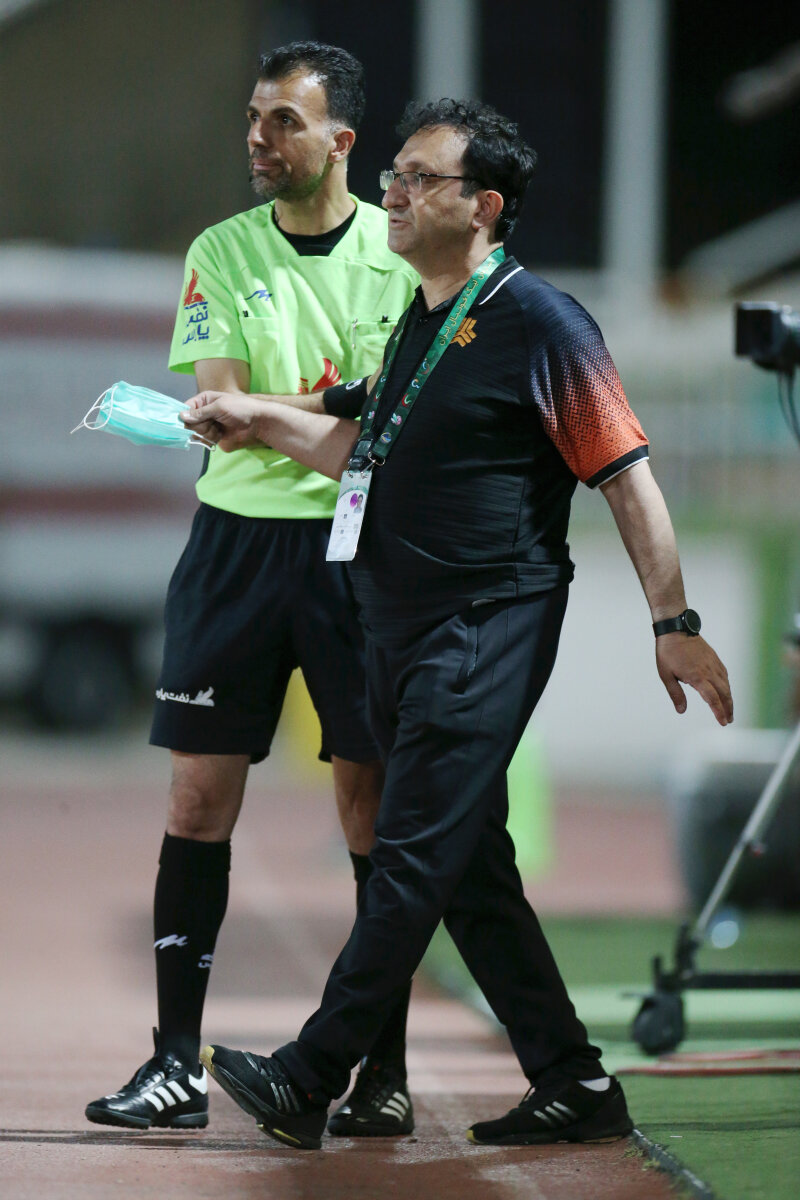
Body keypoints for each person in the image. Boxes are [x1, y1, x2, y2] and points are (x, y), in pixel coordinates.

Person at [180, 98, 734, 1152]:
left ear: (483, 207)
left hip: (484, 622)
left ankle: (309, 1072)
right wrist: (257, 419)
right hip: (396, 627)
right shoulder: (420, 319)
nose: (391, 193)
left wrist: (674, 619)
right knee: (467, 868)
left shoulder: (543, 322)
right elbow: (359, 455)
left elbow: (626, 477)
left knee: (409, 852)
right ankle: (573, 1080)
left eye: (418, 178)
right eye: (393, 174)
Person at [85, 42, 418, 1136]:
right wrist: (333, 408)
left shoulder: (398, 253)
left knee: (369, 809)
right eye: (253, 117)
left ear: (341, 140)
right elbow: (218, 407)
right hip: (232, 549)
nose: (258, 138)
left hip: (358, 552)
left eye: (283, 120)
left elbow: (383, 417)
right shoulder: (221, 250)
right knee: (195, 802)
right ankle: (174, 1064)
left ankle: (380, 1072)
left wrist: (283, 416)